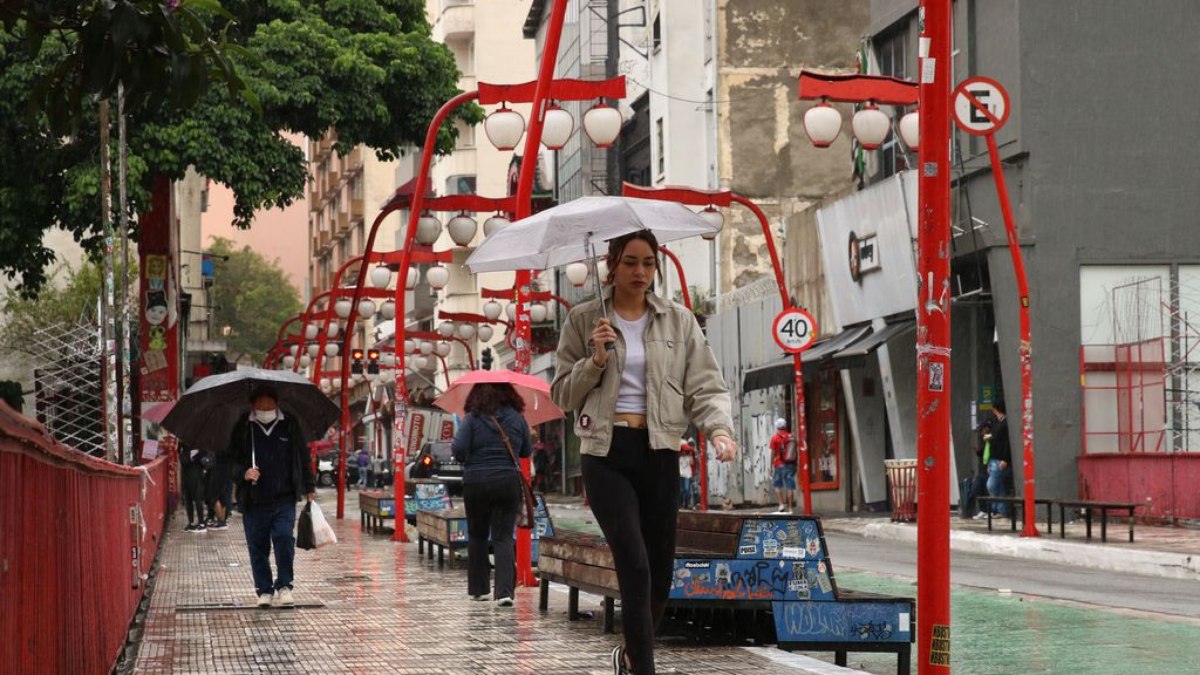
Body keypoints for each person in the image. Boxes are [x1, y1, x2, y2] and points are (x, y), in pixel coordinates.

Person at [552, 230, 738, 675]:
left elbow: (705, 383)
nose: (640, 272)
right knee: (633, 562)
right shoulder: (583, 320)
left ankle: (633, 654)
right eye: (630, 262)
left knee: (659, 572)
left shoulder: (678, 320)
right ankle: (644, 671)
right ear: (611, 265)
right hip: (605, 451)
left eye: (648, 263)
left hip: (658, 450)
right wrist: (595, 360)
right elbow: (561, 394)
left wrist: (718, 430)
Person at [228, 386, 316, 608]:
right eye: (260, 405)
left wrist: (309, 486)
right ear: (253, 406)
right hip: (254, 500)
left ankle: (284, 585)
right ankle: (264, 590)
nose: (264, 409)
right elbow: (230, 462)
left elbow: (303, 458)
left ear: (277, 404)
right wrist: (244, 473)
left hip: (284, 497)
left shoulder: (289, 425)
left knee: (284, 539)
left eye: (269, 405)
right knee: (257, 546)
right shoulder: (243, 427)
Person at [451, 382, 532, 607]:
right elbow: (526, 450)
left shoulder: (472, 418)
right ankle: (505, 592)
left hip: (476, 481)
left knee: (477, 534)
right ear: (509, 394)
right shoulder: (517, 418)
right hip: (507, 481)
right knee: (503, 536)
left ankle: (479, 588)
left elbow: (458, 451)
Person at [985, 400, 1014, 518]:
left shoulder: (1005, 424)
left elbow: (1007, 442)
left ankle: (1000, 509)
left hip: (1000, 459)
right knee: (998, 485)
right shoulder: (998, 423)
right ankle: (1001, 510)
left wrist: (1005, 459)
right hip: (994, 458)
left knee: (991, 485)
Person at [769, 418, 796, 514]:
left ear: (777, 427)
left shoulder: (775, 438)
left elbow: (772, 453)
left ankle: (781, 504)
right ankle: (790, 508)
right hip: (790, 465)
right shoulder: (791, 436)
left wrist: (771, 465)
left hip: (779, 464)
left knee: (777, 485)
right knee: (790, 487)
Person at [968, 419, 993, 519]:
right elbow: (983, 452)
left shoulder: (991, 439)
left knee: (988, 488)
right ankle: (983, 510)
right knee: (977, 487)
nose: (981, 433)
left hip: (990, 467)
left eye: (982, 430)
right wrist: (978, 451)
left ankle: (990, 510)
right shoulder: (983, 440)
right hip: (983, 467)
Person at [180, 444, 209, 533]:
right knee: (188, 500)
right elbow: (183, 460)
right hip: (186, 476)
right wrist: (190, 457)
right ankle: (191, 522)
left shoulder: (202, 448)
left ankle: (201, 523)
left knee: (198, 499)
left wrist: (198, 457)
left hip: (197, 476)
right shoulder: (184, 446)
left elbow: (205, 462)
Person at [204, 449, 232, 530]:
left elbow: (211, 461)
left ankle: (221, 521)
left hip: (217, 472)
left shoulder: (216, 446)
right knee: (222, 497)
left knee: (214, 497)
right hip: (225, 471)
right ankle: (222, 521)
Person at [678, 439, 695, 509]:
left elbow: (692, 463)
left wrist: (691, 455)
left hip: (687, 475)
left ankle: (687, 503)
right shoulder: (680, 458)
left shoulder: (688, 458)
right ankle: (681, 504)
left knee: (687, 489)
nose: (684, 452)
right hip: (680, 475)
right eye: (683, 451)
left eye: (685, 451)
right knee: (681, 490)